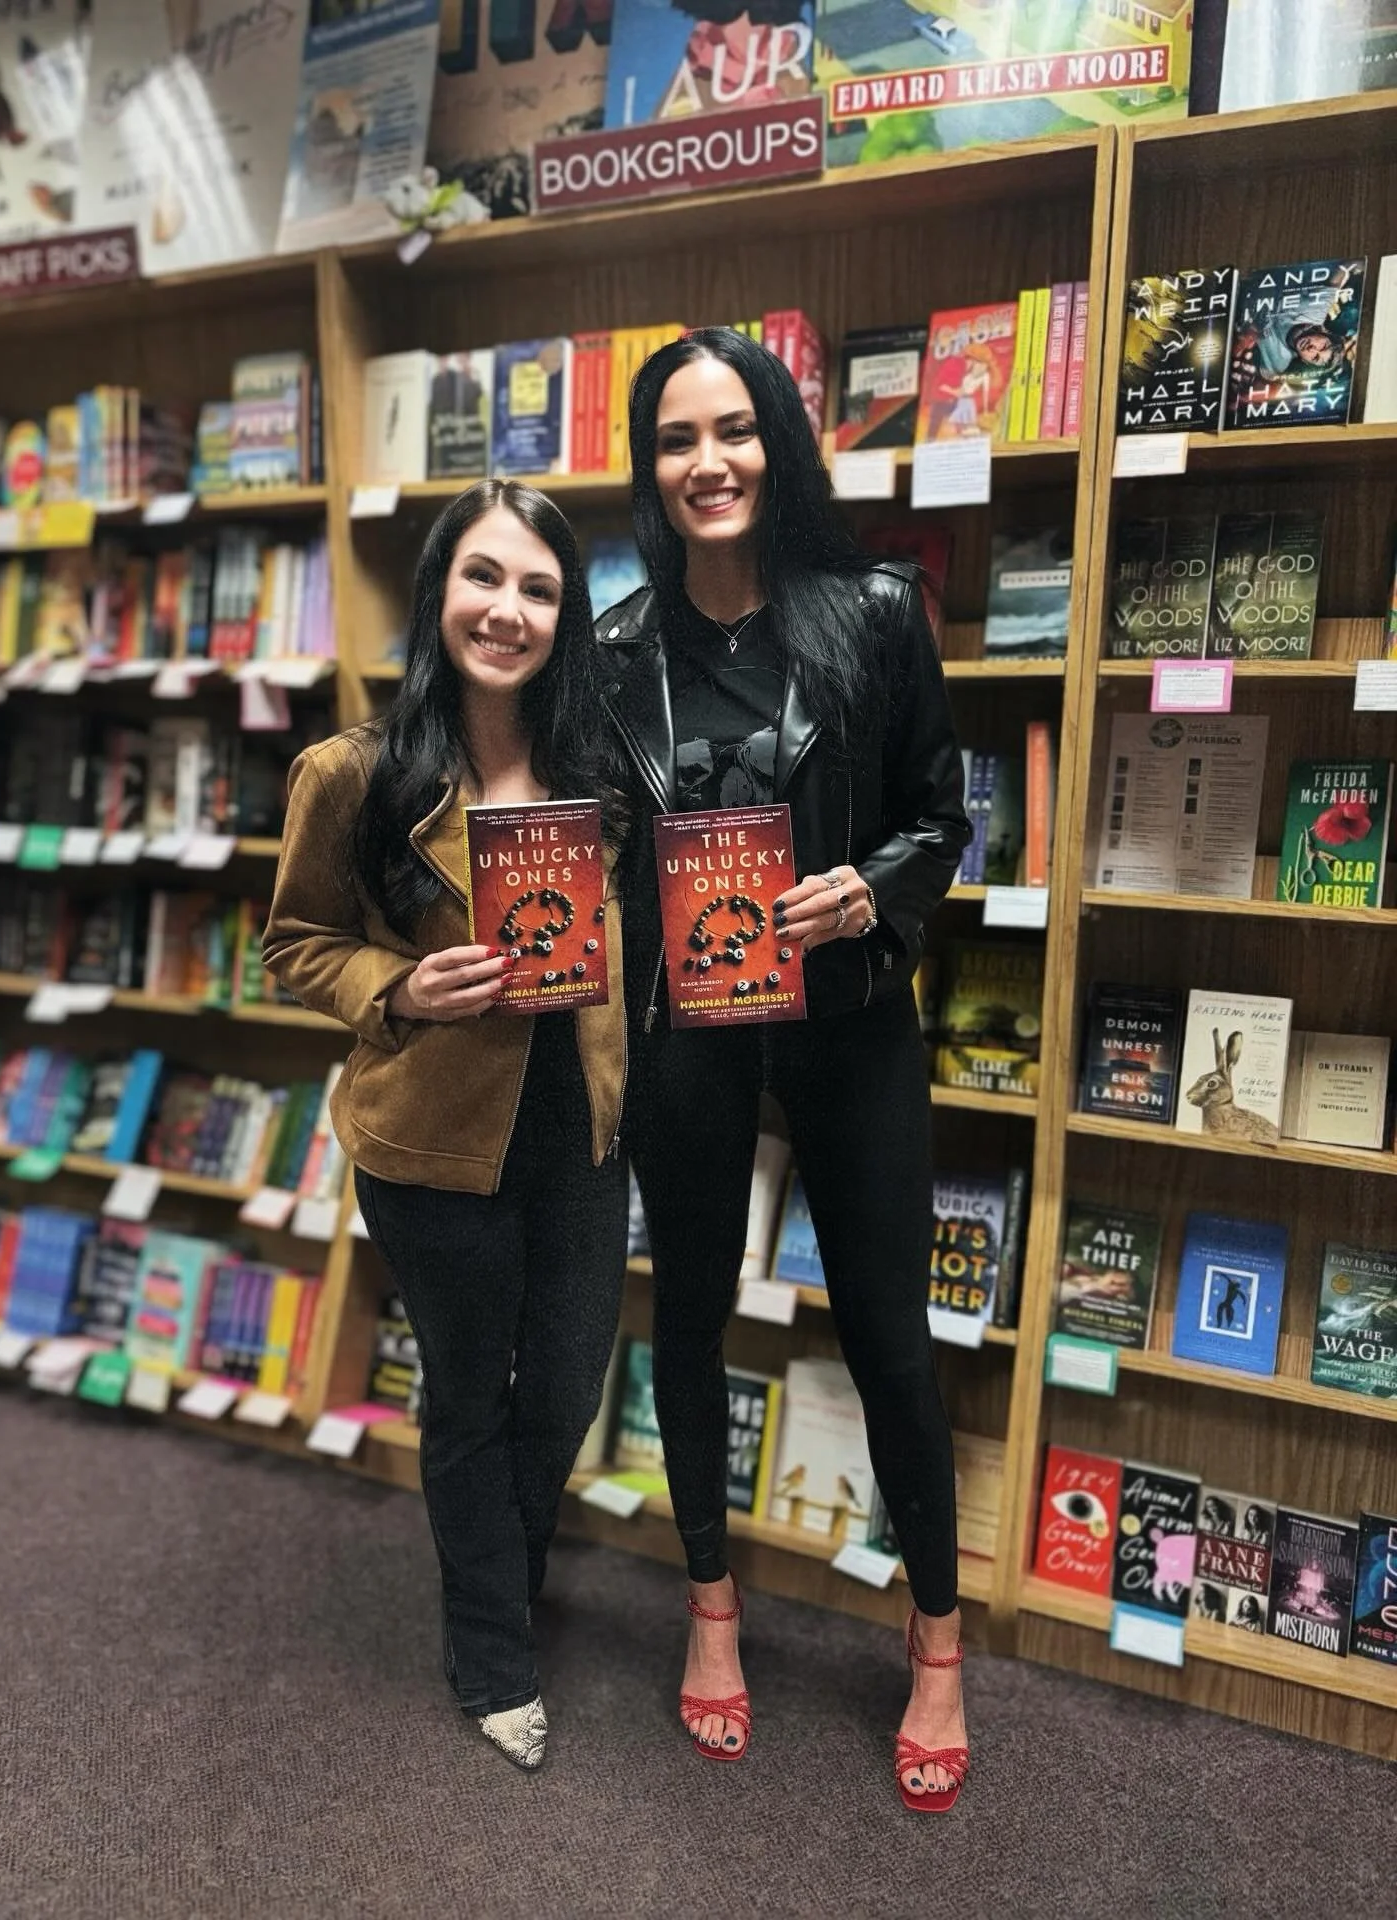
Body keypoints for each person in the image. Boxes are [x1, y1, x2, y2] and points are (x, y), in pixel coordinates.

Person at [597, 328, 972, 1810]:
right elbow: (595, 846)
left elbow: (942, 817)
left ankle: (937, 1643)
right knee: (688, 1318)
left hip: (851, 1018)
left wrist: (870, 888)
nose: (709, 463)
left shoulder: (873, 611)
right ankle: (710, 1611)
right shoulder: (614, 652)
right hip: (690, 1029)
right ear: (651, 468)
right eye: (677, 439)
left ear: (780, 443)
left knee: (889, 1335)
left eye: (735, 429)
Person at [263, 480, 628, 1773]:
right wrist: (401, 987)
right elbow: (296, 946)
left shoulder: (599, 770)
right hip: (432, 1138)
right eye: (484, 576)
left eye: (539, 588)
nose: (508, 610)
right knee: (471, 1394)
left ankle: (500, 1573)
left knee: (568, 1385)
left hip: (579, 1131)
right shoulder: (352, 774)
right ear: (438, 592)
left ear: (566, 615)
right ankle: (491, 1650)